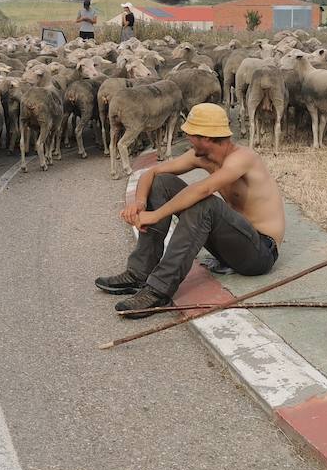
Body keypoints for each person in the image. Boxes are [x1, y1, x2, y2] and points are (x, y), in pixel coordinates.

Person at [96, 103, 284, 317]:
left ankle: (159, 290)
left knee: (206, 204)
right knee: (163, 182)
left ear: (205, 137)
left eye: (190, 134)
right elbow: (152, 173)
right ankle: (139, 273)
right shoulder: (201, 155)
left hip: (259, 252)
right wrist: (138, 204)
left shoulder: (243, 158)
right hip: (231, 246)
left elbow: (204, 189)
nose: (186, 137)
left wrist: (155, 215)